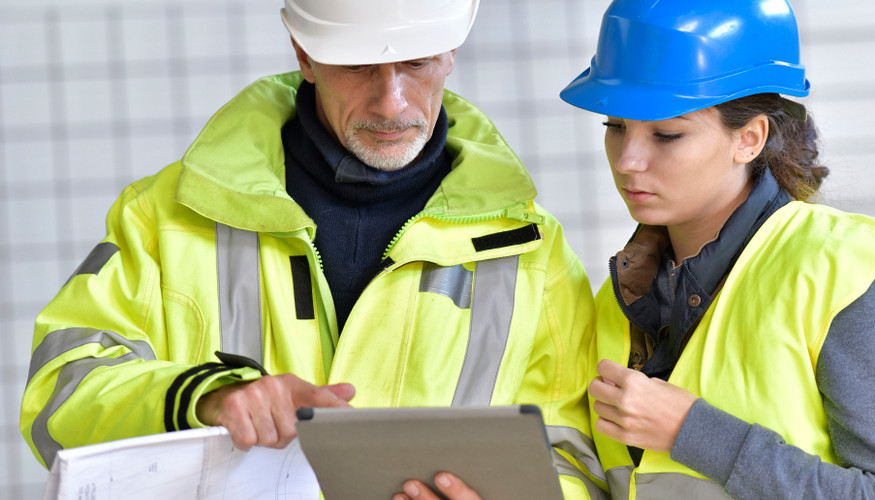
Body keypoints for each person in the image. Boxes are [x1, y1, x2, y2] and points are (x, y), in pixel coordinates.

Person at [20, 1, 605, 497]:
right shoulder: (165, 216)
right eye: (358, 66)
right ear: (304, 54)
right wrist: (204, 400)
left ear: (451, 52)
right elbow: (59, 400)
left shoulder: (532, 252)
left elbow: (577, 461)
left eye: (418, 63)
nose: (392, 103)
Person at [554, 0, 875, 499]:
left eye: (666, 134)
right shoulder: (617, 301)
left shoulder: (841, 279)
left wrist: (693, 432)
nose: (629, 160)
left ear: (749, 138)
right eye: (615, 127)